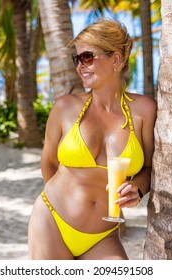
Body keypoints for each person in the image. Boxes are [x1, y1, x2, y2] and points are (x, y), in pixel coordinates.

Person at [28, 18, 157, 260]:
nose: (80, 66)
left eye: (87, 57)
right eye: (76, 59)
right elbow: (48, 163)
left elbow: (150, 168)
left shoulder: (144, 110)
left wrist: (137, 189)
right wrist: (64, 207)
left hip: (103, 236)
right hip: (52, 223)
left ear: (116, 59)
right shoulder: (65, 108)